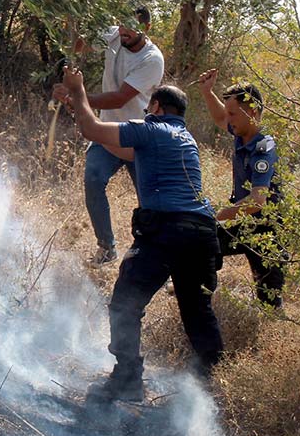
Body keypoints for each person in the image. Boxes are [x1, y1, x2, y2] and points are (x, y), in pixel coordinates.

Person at [54, 67, 222, 401]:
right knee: (197, 311)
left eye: (148, 107)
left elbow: (91, 130)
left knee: (124, 305)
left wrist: (78, 88)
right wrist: (76, 103)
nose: (146, 112)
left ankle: (128, 381)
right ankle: (211, 388)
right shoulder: (183, 139)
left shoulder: (151, 129)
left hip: (166, 232)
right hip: (202, 234)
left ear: (156, 107)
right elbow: (111, 143)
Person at [76, 8, 165, 266]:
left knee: (150, 200)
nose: (123, 31)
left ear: (146, 28)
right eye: (121, 24)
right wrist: (73, 19)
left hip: (139, 137)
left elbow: (119, 98)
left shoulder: (152, 59)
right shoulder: (113, 35)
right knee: (93, 180)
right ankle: (107, 248)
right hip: (107, 130)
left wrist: (78, 96)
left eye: (131, 26)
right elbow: (79, 46)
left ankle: (159, 259)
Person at [197, 69, 286, 309]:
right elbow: (220, 117)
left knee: (269, 301)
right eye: (229, 113)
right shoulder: (241, 131)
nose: (228, 119)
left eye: (233, 113)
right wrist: (207, 92)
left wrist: (217, 215)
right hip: (243, 220)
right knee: (203, 243)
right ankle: (196, 292)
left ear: (252, 112)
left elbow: (257, 201)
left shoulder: (263, 149)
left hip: (267, 230)